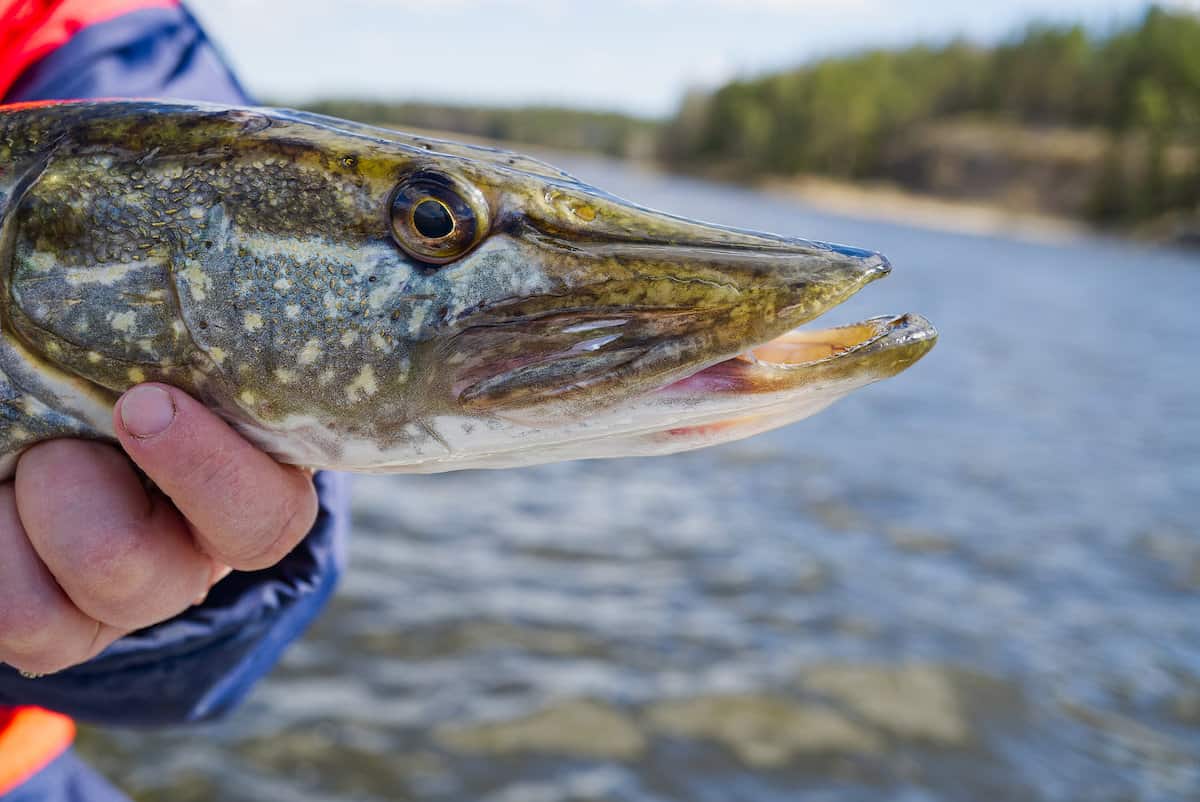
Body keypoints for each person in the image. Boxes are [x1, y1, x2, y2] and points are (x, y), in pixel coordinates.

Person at [0, 3, 350, 800]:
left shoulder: (96, 36)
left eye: (434, 226)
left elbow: (270, 594)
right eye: (435, 224)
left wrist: (156, 587)